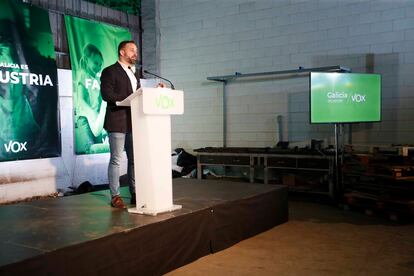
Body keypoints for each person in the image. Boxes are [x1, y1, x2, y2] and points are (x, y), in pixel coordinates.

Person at [100, 40, 140, 209]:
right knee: (116, 159)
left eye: (136, 50)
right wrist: (122, 101)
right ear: (122, 52)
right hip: (117, 120)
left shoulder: (134, 73)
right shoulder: (110, 71)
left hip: (134, 122)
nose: (135, 53)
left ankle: (135, 193)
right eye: (132, 50)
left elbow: (137, 95)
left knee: (134, 160)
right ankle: (115, 195)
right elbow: (106, 94)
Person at [74, 44, 108, 154]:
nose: (98, 67)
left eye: (100, 64)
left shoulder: (98, 78)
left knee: (99, 150)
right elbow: (81, 100)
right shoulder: (82, 74)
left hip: (96, 119)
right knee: (89, 149)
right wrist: (92, 113)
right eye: (95, 63)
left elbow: (100, 100)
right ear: (86, 60)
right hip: (85, 118)